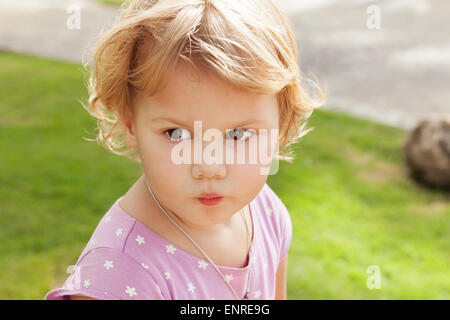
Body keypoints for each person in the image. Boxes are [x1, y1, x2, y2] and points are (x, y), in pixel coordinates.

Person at [44, 0, 324, 300]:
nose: (209, 167)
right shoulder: (120, 276)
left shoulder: (266, 212)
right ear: (130, 126)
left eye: (238, 134)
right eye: (177, 134)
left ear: (280, 126)